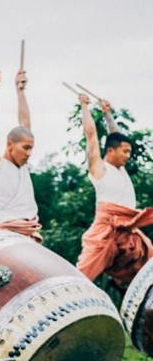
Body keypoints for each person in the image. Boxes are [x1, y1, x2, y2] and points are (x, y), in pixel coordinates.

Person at [75, 94, 153, 284]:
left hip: (128, 230)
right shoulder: (99, 169)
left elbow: (116, 136)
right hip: (105, 230)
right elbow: (91, 135)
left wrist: (107, 114)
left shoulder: (121, 169)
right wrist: (84, 106)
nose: (128, 155)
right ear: (111, 151)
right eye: (125, 152)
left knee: (149, 257)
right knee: (81, 276)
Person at [0, 69, 42, 242]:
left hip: (29, 232)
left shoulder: (22, 166)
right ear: (9, 145)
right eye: (25, 148)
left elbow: (25, 123)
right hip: (6, 234)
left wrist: (20, 91)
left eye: (31, 148)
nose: (29, 153)